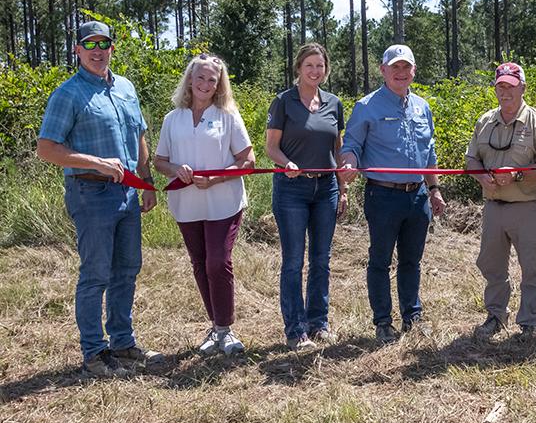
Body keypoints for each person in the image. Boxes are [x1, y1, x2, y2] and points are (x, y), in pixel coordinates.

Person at [36, 20, 162, 377]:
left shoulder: (125, 87)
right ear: (77, 50)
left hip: (126, 193)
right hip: (90, 193)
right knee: (96, 275)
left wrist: (147, 180)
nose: (97, 51)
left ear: (111, 48)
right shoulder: (68, 94)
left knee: (127, 269)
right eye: (89, 45)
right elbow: (47, 148)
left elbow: (139, 135)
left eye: (103, 44)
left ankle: (122, 343)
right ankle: (94, 353)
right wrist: (97, 164)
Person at [340, 44, 447, 344]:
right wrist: (349, 164)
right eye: (395, 67)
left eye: (406, 67)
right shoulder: (367, 106)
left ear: (414, 71)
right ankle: (383, 322)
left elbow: (429, 153)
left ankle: (412, 317)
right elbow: (351, 147)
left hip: (417, 198)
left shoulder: (422, 107)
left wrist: (434, 189)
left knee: (412, 261)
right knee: (380, 260)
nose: (401, 73)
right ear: (383, 70)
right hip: (383, 196)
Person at [154, 53, 255, 356]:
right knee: (199, 264)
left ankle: (225, 329)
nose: (205, 83)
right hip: (186, 204)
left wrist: (217, 179)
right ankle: (216, 327)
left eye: (212, 79)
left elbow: (248, 161)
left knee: (216, 262)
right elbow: (160, 162)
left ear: (219, 84)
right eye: (200, 77)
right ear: (189, 79)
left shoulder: (228, 116)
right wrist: (176, 170)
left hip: (223, 203)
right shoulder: (173, 119)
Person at [466, 62, 536, 339]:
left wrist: (518, 175)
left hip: (528, 207)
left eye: (511, 85)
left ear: (523, 87)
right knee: (491, 265)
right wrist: (482, 177)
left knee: (531, 267)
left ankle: (529, 321)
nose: (505, 91)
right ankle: (496, 316)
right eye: (501, 86)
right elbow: (472, 159)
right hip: (494, 207)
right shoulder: (485, 122)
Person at [266, 43, 348, 351]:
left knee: (321, 260)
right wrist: (285, 162)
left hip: (325, 188)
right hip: (291, 190)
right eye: (309, 65)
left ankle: (318, 322)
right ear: (298, 68)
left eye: (320, 66)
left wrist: (343, 188)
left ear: (326, 70)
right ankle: (295, 328)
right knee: (292, 261)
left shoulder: (333, 103)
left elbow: (337, 150)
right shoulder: (283, 102)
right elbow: (271, 146)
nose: (315, 71)